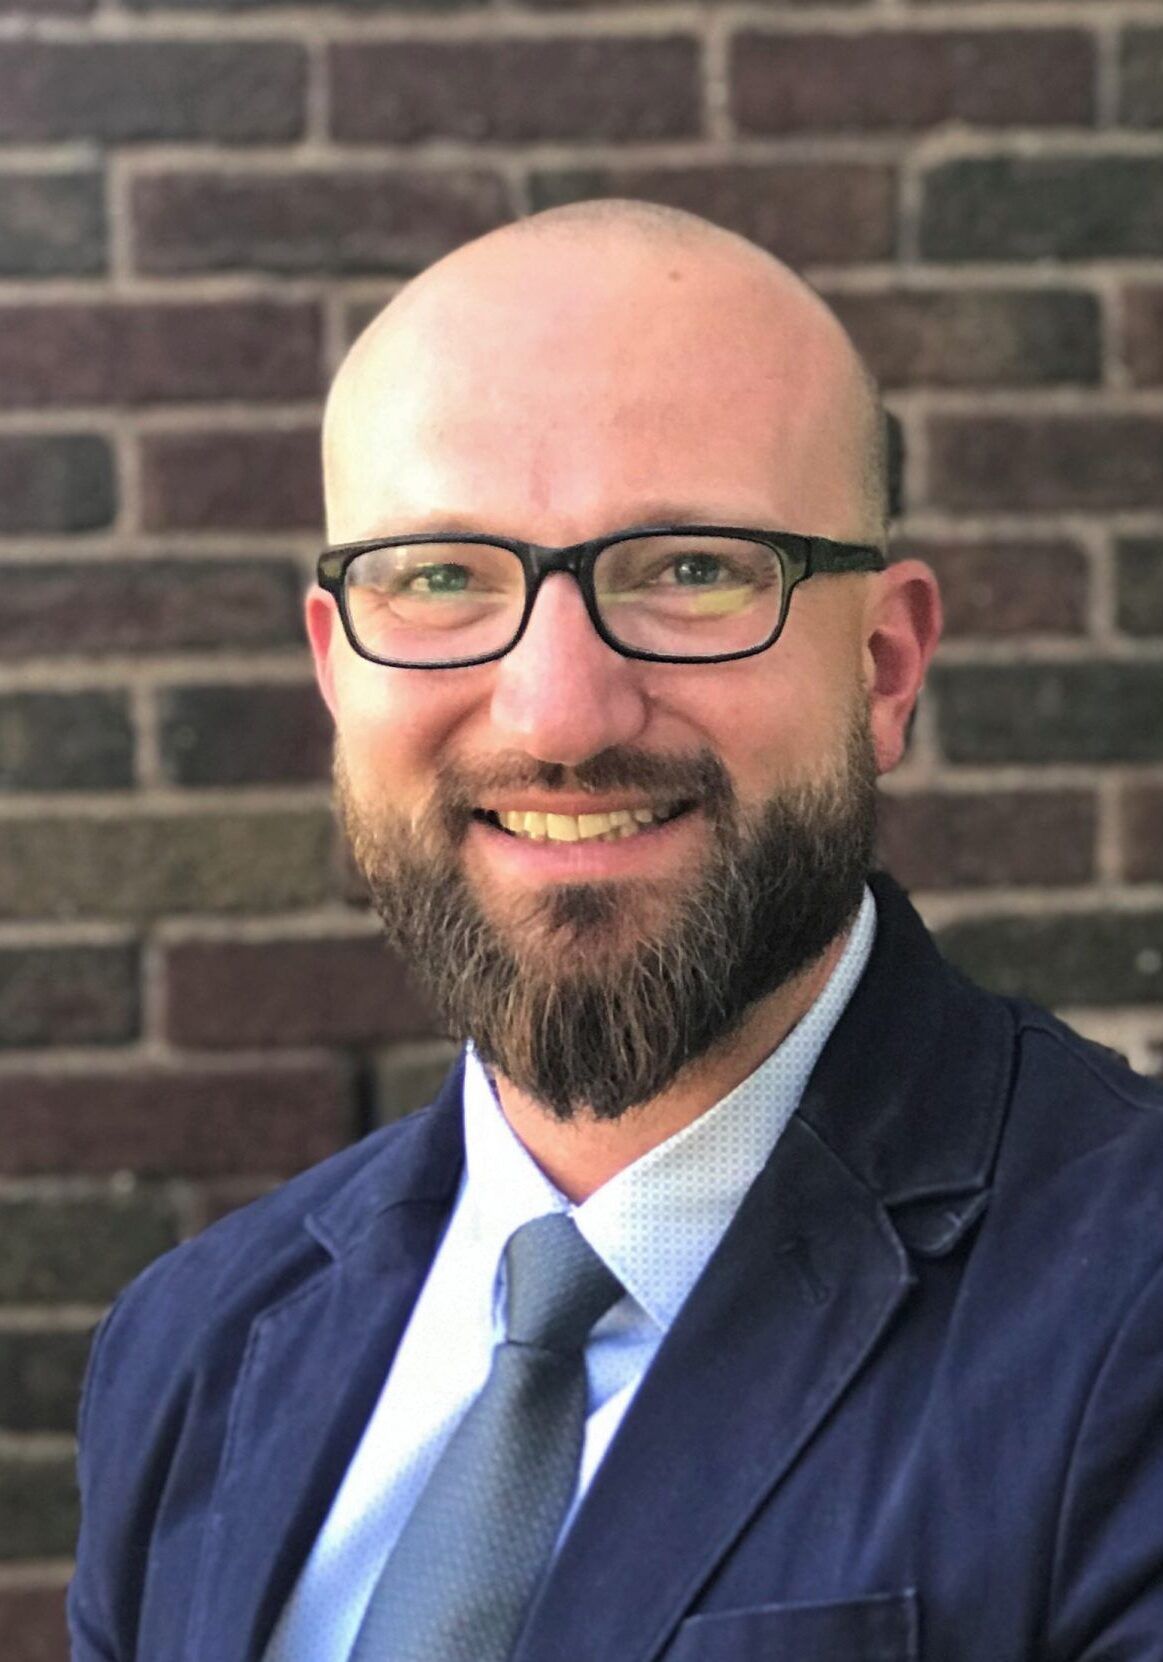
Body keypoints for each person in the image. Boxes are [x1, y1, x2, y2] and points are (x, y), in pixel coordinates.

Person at [69, 201, 1163, 1662]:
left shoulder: (1128, 1306)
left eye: (694, 568)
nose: (561, 714)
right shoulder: (193, 1347)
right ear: (337, 671)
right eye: (443, 576)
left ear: (885, 665)